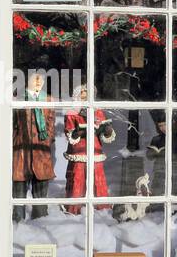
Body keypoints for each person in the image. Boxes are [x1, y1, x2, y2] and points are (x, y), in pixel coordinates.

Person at [63, 85, 115, 214]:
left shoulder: (97, 111)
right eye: (82, 93)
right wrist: (78, 133)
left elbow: (104, 131)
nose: (85, 96)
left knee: (98, 177)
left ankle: (102, 208)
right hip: (79, 150)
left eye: (87, 93)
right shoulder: (72, 112)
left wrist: (107, 131)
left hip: (94, 149)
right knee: (78, 177)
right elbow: (69, 132)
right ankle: (74, 207)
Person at [12, 70, 54, 220]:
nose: (38, 82)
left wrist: (47, 139)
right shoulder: (18, 100)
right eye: (35, 79)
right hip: (21, 151)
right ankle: (17, 223)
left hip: (41, 152)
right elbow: (10, 124)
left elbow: (50, 123)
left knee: (41, 196)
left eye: (40, 79)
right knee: (18, 194)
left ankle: (40, 223)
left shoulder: (48, 100)